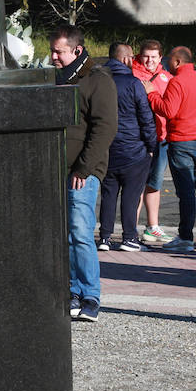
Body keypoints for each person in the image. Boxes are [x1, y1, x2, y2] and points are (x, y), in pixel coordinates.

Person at [49, 25, 117, 323]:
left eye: (58, 52)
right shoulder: (58, 79)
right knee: (64, 235)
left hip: (82, 172)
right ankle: (73, 290)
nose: (52, 57)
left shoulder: (97, 80)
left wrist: (85, 167)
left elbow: (105, 128)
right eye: (51, 51)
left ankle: (90, 295)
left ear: (77, 51)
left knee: (80, 232)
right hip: (56, 168)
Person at [148, 46, 196, 252]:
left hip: (182, 140)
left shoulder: (177, 82)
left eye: (169, 60)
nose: (166, 64)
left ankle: (185, 237)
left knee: (186, 191)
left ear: (178, 62)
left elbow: (168, 110)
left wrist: (152, 95)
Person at [100, 43, 156, 252]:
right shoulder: (133, 83)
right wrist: (151, 145)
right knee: (131, 195)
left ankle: (105, 237)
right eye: (132, 57)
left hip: (107, 149)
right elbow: (146, 118)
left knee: (108, 194)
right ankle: (129, 237)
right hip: (134, 149)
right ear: (125, 59)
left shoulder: (100, 81)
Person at [131, 40, 173, 244]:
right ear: (140, 56)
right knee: (137, 184)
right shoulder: (132, 75)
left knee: (154, 183)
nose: (149, 60)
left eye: (154, 57)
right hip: (139, 138)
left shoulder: (167, 77)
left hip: (161, 138)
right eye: (146, 56)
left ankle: (153, 227)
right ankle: (132, 228)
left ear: (160, 58)